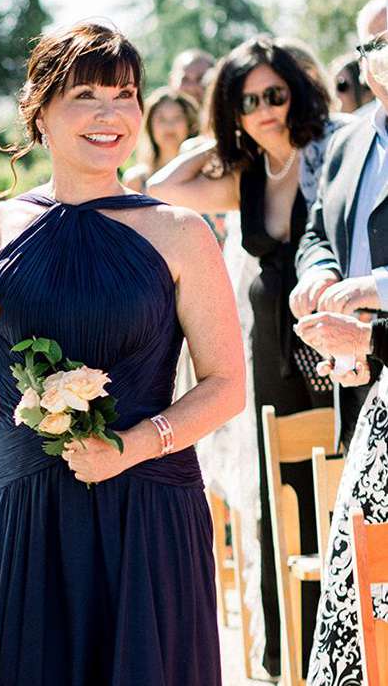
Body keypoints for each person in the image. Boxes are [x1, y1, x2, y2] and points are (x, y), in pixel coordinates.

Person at [0, 21, 243, 684]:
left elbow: (226, 384)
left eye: (126, 95)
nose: (111, 114)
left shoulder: (180, 233)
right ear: (41, 111)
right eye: (87, 95)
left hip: (148, 508)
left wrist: (137, 444)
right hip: (23, 508)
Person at [148, 35, 346, 679]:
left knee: (341, 486)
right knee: (282, 493)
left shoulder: (334, 153)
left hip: (337, 340)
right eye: (248, 98)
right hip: (275, 354)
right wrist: (224, 131)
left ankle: (351, 641)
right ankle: (293, 650)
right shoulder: (247, 174)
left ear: (299, 92)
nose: (265, 108)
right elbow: (164, 183)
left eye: (275, 95)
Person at [290, 0, 388, 686]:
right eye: (376, 42)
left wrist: (373, 293)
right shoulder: (348, 140)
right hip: (356, 379)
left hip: (377, 350)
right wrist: (320, 275)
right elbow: (319, 230)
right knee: (363, 568)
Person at [122, 86, 199, 192]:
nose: (169, 125)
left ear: (190, 124)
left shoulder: (202, 177)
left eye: (177, 117)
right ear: (150, 126)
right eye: (161, 118)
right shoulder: (136, 180)